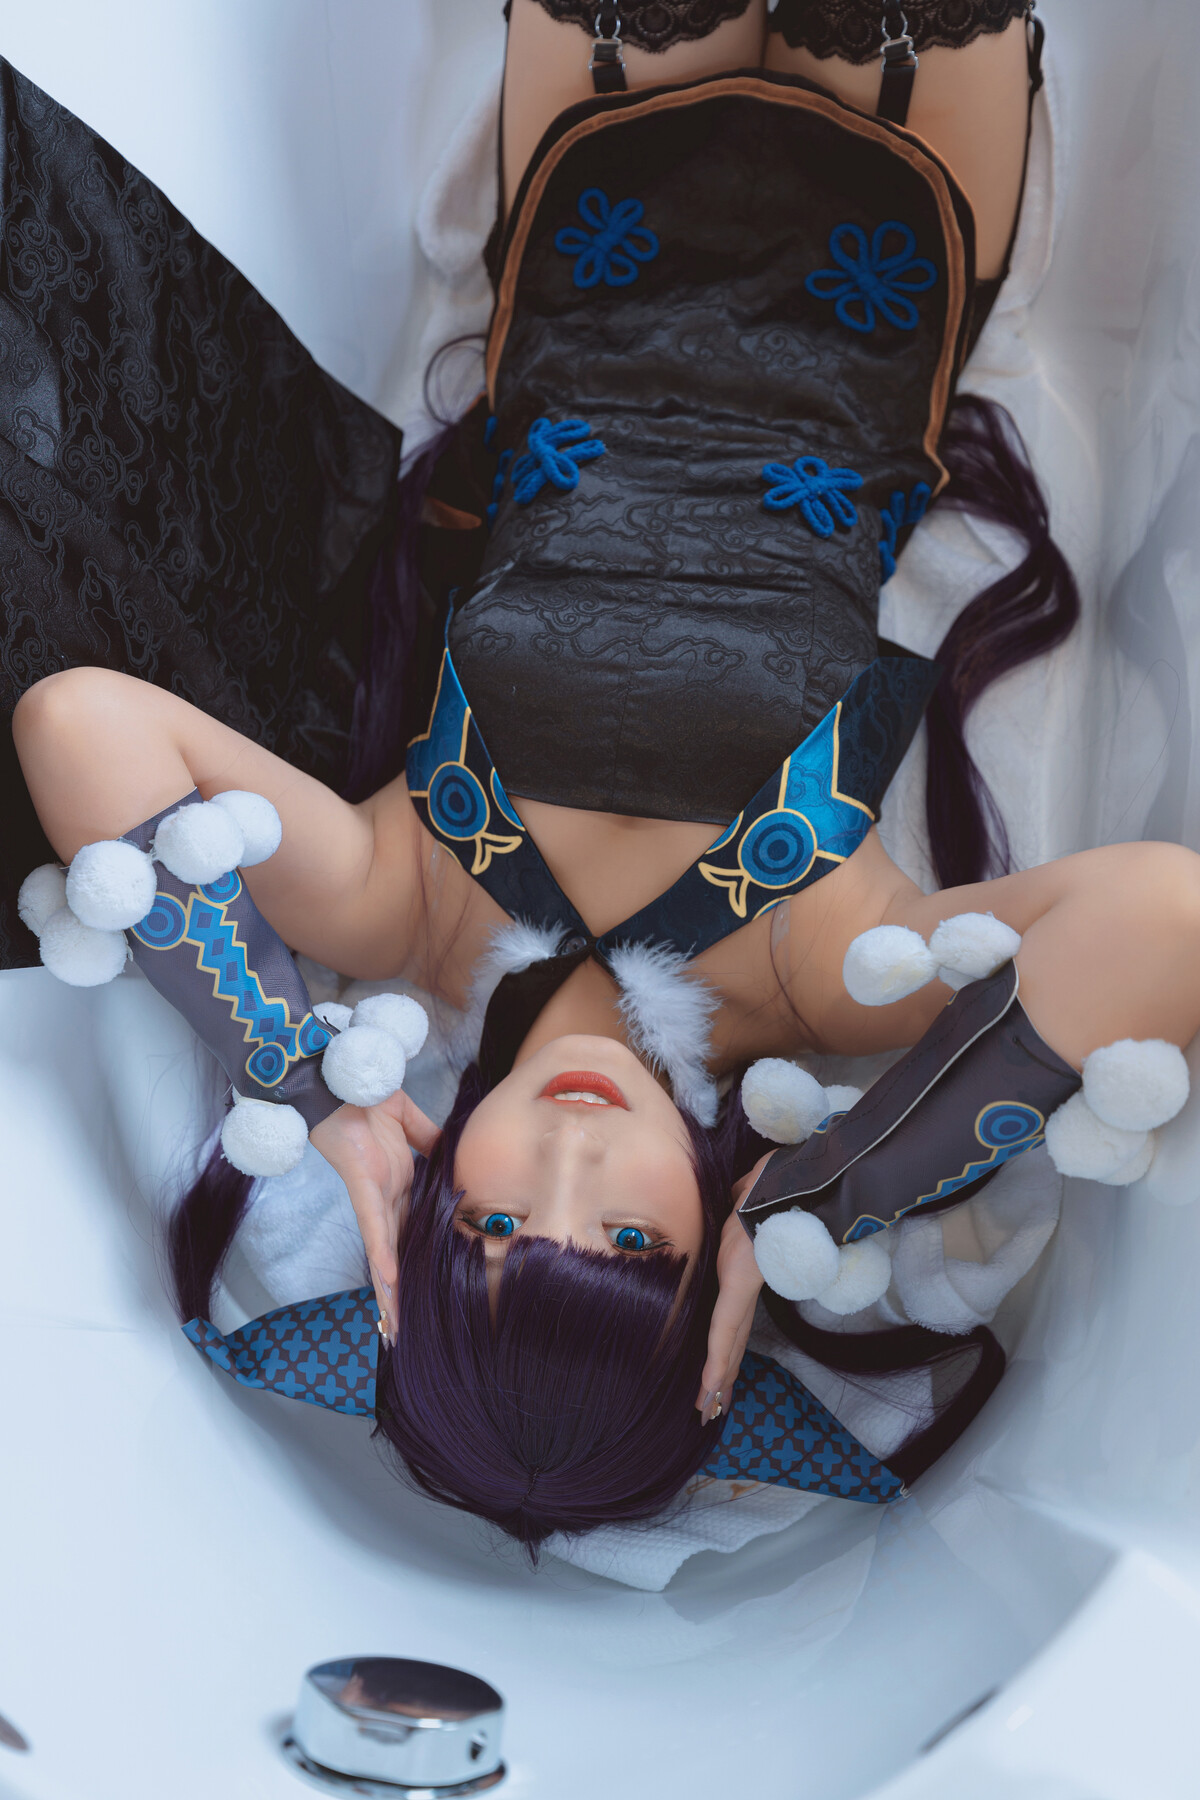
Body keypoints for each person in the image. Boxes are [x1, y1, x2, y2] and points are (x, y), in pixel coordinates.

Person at [10, 1, 1200, 1553]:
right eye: (634, 1241)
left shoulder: (404, 914)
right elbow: (1167, 919)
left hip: (599, 239)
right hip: (879, 266)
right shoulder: (816, 979)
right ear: (712, 1262)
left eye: (500, 1220)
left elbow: (81, 726)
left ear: (425, 1210)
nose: (573, 1155)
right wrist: (837, 1195)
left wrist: (294, 1078)